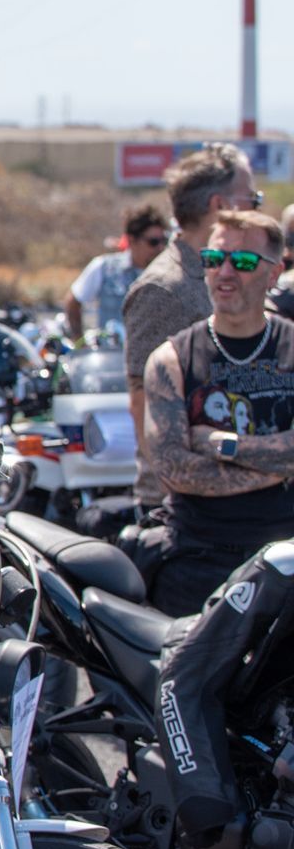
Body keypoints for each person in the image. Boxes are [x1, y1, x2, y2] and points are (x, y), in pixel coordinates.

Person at [139, 210, 294, 614]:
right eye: (214, 259)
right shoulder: (171, 359)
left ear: (274, 273)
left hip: (288, 554)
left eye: (242, 262)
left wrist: (221, 445)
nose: (225, 272)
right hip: (200, 559)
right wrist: (279, 464)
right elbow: (174, 469)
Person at [125, 143, 260, 512]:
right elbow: (142, 404)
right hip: (187, 510)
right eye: (253, 200)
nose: (258, 212)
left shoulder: (222, 275)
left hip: (235, 496)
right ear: (221, 207)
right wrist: (175, 499)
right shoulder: (164, 288)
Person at [64, 205, 168, 337]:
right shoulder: (104, 267)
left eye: (163, 241)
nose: (160, 248)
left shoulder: (167, 273)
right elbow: (73, 301)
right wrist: (79, 342)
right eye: (153, 242)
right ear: (132, 240)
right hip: (112, 355)